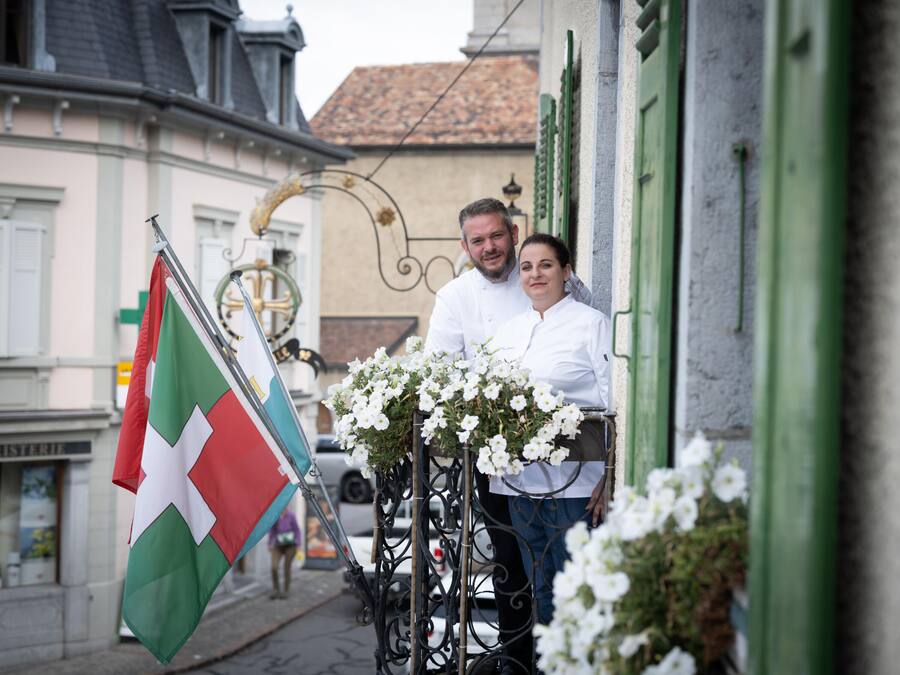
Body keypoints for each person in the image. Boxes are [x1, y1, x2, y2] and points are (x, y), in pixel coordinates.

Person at [426, 198, 594, 674]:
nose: (489, 247)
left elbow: (588, 337)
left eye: (496, 236)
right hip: (497, 458)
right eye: (477, 240)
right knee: (509, 563)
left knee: (567, 565)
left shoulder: (551, 280)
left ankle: (568, 660)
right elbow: (440, 372)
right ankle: (517, 662)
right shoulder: (455, 297)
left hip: (571, 461)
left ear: (514, 233)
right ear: (465, 247)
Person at [489, 233, 610, 626]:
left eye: (546, 265)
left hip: (577, 486)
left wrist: (609, 476)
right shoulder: (507, 332)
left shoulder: (591, 324)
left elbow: (614, 403)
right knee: (540, 592)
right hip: (520, 486)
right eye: (527, 267)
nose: (535, 274)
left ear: (566, 271)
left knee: (579, 593)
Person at [268, 506, 301, 600]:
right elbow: (272, 531)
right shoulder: (276, 516)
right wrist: (270, 544)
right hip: (278, 544)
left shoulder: (291, 515)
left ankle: (286, 591)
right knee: (274, 567)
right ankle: (276, 590)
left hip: (290, 545)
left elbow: (297, 530)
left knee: (287, 567)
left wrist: (298, 543)